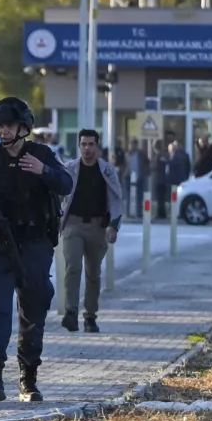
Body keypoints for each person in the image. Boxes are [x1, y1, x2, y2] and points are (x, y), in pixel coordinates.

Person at [0, 97, 73, 403]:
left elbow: (66, 183)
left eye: (9, 126)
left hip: (35, 244)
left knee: (34, 308)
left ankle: (29, 378)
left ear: (24, 127)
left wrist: (43, 171)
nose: (4, 132)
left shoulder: (42, 154)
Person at [59, 129, 123, 334]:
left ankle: (90, 316)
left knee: (93, 273)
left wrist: (113, 225)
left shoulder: (107, 171)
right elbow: (58, 193)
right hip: (73, 225)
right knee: (73, 267)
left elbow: (116, 199)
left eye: (91, 144)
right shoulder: (70, 169)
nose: (87, 149)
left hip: (98, 226)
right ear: (79, 146)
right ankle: (70, 312)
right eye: (83, 144)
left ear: (97, 146)